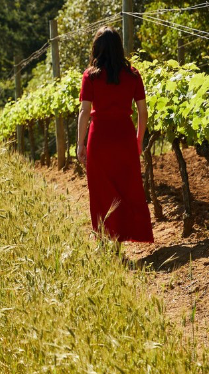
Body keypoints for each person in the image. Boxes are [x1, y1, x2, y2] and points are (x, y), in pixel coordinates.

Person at [76, 26, 154, 243]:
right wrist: (138, 141)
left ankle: (106, 238)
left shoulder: (90, 76)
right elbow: (142, 112)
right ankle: (125, 236)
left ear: (96, 48)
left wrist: (80, 144)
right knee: (127, 188)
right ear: (119, 48)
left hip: (99, 137)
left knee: (101, 190)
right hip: (125, 137)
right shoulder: (133, 75)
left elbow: (84, 112)